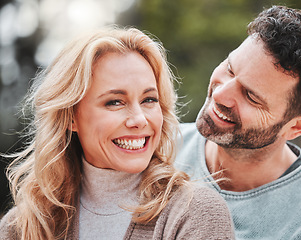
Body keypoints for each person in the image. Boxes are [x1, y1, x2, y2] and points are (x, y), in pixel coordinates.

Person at [0, 27, 235, 240]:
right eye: (115, 102)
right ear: (71, 116)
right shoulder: (21, 226)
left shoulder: (195, 213)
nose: (139, 119)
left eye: (149, 100)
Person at [175, 5, 301, 239]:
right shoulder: (152, 147)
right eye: (230, 69)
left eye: (251, 96)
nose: (221, 95)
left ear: (297, 126)